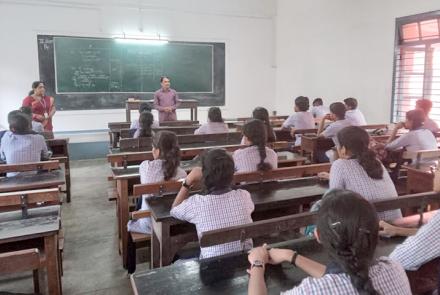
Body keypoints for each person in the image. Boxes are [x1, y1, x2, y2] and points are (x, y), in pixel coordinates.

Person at [247, 189, 412, 295]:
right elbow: (343, 276)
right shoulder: (393, 269)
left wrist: (257, 264)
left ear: (317, 235)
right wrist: (291, 256)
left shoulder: (312, 290)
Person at [170, 149, 254, 259]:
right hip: (244, 261)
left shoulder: (197, 204)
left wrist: (187, 182)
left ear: (204, 175)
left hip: (211, 268)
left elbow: (174, 209)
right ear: (232, 173)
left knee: (177, 258)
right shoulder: (244, 196)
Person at [127, 131, 186, 273]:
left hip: (149, 222)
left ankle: (129, 267)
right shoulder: (181, 173)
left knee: (132, 217)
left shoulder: (145, 167)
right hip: (172, 222)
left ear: (157, 150)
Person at [320, 126, 402, 221]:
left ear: (343, 148)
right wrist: (332, 176)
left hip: (369, 228)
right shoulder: (376, 161)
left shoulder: (340, 164)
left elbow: (332, 199)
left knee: (320, 206)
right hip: (394, 223)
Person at [0, 111, 51, 177]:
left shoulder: (6, 137)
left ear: (12, 128)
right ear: (29, 126)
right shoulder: (39, 138)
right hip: (34, 178)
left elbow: (3, 157)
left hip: (12, 181)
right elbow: (46, 156)